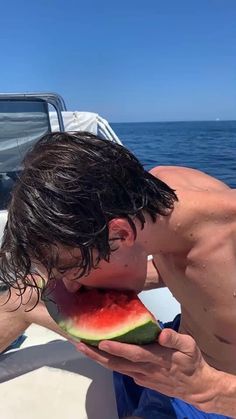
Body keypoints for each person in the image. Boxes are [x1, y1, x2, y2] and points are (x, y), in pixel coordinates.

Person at [0, 131, 236, 419]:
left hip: (215, 394)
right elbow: (190, 273)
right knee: (27, 293)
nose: (70, 287)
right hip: (173, 347)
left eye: (72, 268)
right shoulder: (162, 190)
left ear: (120, 234)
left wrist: (207, 387)